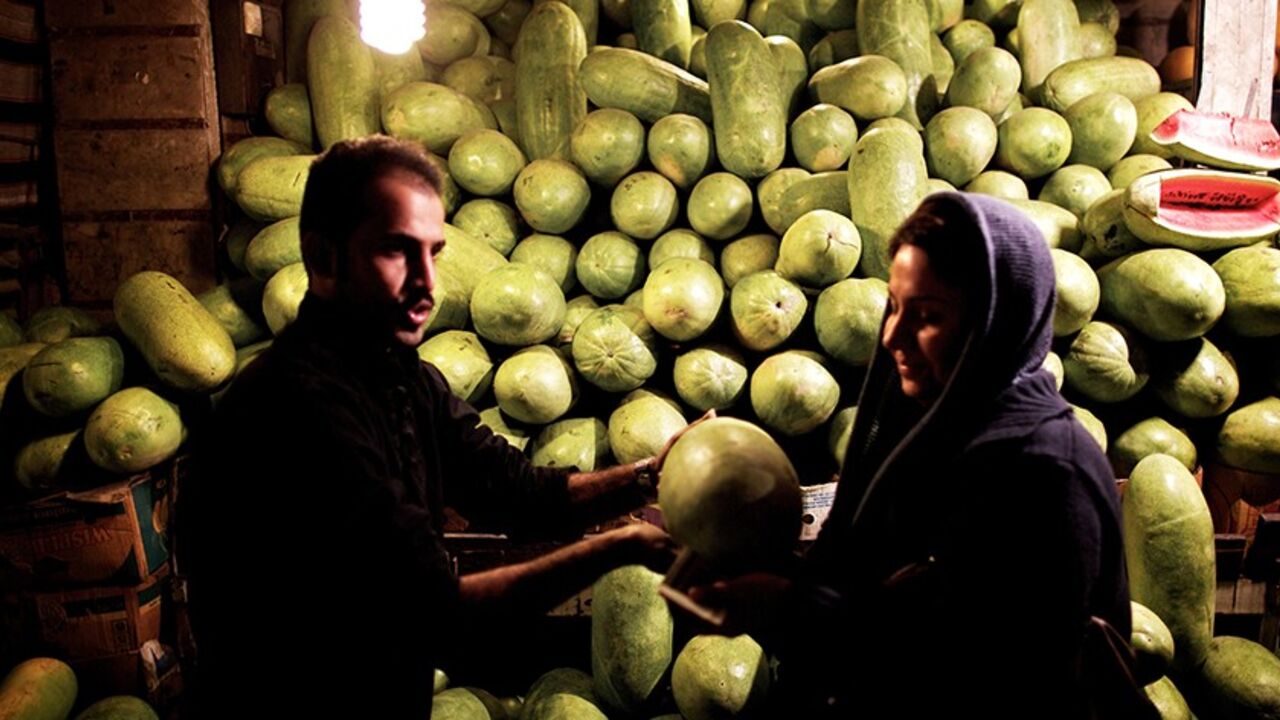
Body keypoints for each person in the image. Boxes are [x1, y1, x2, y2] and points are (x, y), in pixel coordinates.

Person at [179, 136, 670, 718]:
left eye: (434, 252)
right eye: (396, 251)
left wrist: (646, 478)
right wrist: (620, 548)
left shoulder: (401, 376)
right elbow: (439, 616)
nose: (427, 283)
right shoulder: (295, 411)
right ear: (324, 259)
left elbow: (513, 489)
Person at [688, 192, 1138, 717]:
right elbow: (893, 590)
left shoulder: (1047, 472)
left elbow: (1003, 676)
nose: (893, 336)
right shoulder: (932, 430)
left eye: (928, 315)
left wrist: (793, 610)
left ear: (994, 320)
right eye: (894, 306)